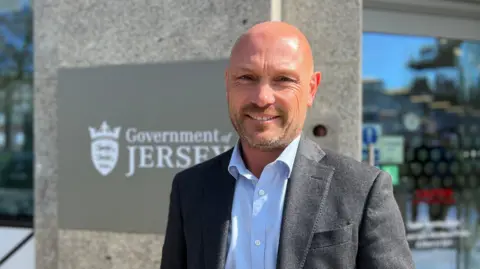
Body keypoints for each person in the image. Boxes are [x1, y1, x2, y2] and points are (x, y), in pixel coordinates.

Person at [160, 21, 414, 269]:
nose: (262, 98)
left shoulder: (363, 190)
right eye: (247, 77)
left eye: (283, 79)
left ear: (311, 89)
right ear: (228, 84)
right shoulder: (190, 189)